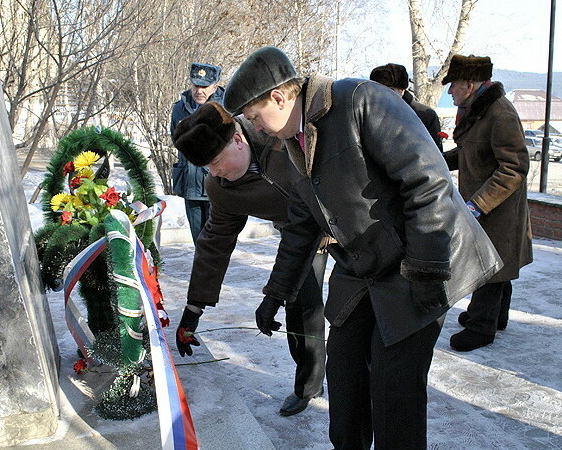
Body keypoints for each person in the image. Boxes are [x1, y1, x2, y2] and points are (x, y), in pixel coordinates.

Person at [224, 46, 501, 449]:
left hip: (421, 257)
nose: (257, 128)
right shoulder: (294, 143)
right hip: (364, 266)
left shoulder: (359, 101)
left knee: (394, 391)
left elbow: (428, 183)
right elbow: (301, 226)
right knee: (345, 375)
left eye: (254, 116)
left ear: (279, 98)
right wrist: (276, 293)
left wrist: (426, 271)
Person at [171, 102, 328, 416]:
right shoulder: (221, 187)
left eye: (216, 161)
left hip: (343, 219)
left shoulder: (278, 137)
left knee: (358, 307)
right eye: (207, 167)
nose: (214, 173)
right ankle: (309, 384)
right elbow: (214, 244)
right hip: (299, 235)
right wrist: (193, 308)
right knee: (300, 304)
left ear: (238, 140)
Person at [441, 54, 533, 352]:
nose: (449, 91)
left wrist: (478, 204)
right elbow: (469, 152)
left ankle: (481, 327)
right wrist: (439, 161)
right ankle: (496, 316)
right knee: (497, 262)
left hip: (498, 209)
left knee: (489, 266)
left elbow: (514, 168)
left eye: (453, 84)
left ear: (469, 85)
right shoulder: (479, 111)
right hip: (487, 207)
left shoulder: (500, 114)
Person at [170, 62, 224, 243]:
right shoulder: (180, 108)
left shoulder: (225, 108)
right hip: (190, 183)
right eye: (196, 86)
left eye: (204, 87)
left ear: (214, 87)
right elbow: (176, 138)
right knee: (198, 240)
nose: (199, 91)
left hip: (216, 182)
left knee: (217, 240)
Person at [370, 63, 444, 150]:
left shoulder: (424, 115)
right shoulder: (368, 113)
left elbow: (435, 152)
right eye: (378, 90)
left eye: (390, 90)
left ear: (402, 90)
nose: (384, 94)